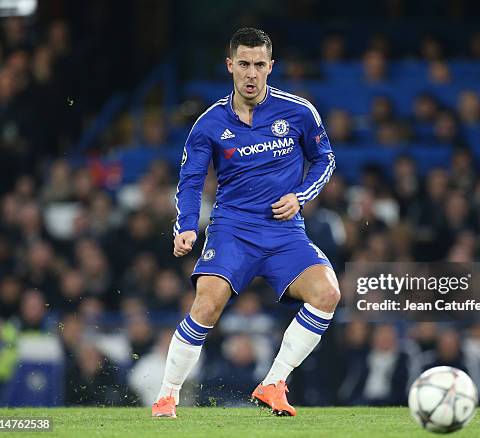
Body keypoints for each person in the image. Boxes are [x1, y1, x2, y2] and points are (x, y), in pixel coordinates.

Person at [152, 27, 340, 418]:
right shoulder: (208, 124)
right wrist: (185, 226)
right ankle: (167, 395)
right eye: (243, 65)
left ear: (271, 67)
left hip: (283, 230)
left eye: (258, 65)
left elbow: (325, 159)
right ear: (229, 66)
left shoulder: (299, 112)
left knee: (327, 294)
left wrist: (300, 196)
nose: (251, 73)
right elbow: (189, 180)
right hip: (232, 229)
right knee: (207, 304)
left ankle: (273, 383)